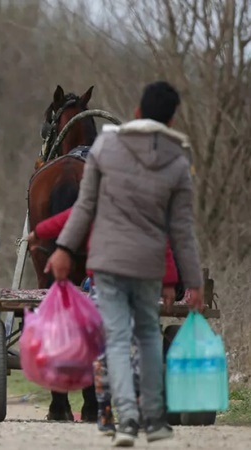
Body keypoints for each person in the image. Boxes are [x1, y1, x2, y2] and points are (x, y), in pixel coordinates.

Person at [46, 81, 204, 447]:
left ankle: (127, 419)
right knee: (148, 336)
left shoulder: (106, 148)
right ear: (172, 118)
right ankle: (153, 418)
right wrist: (190, 281)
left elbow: (85, 207)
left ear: (136, 112)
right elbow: (181, 229)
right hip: (149, 264)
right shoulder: (177, 162)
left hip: (108, 261)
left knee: (116, 339)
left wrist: (64, 248)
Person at [29, 205, 179, 435]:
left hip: (105, 279)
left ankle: (104, 408)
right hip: (142, 280)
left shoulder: (102, 196)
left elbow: (70, 218)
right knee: (140, 344)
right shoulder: (147, 196)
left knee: (105, 348)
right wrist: (169, 279)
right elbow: (163, 239)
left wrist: (39, 231)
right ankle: (140, 406)